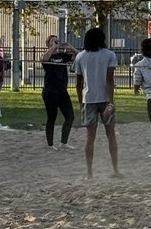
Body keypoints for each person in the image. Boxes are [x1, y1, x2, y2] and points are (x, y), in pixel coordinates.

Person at [74, 26, 118, 178]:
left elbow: (78, 83)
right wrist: (111, 102)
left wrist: (81, 103)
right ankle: (115, 170)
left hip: (88, 99)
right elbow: (110, 79)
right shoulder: (109, 55)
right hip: (105, 99)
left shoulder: (80, 56)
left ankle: (89, 172)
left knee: (90, 137)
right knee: (111, 134)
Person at [41, 35, 76, 150]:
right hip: (50, 91)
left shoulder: (62, 56)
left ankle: (63, 142)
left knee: (70, 116)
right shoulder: (48, 56)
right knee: (52, 117)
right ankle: (50, 144)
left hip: (62, 91)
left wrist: (70, 47)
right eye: (53, 40)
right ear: (48, 43)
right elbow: (44, 59)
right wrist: (52, 48)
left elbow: (79, 56)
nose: (56, 41)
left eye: (57, 39)